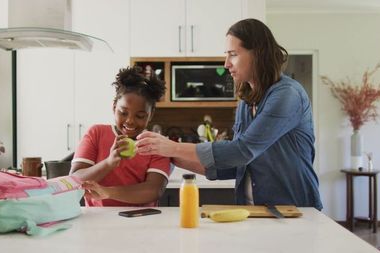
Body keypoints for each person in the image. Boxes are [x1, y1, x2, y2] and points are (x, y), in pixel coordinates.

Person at [136, 18, 323, 210]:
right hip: (254, 211)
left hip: (295, 211)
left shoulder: (287, 95)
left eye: (233, 54)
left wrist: (173, 148)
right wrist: (165, 154)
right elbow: (239, 165)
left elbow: (241, 151)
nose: (226, 64)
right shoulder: (246, 99)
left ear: (258, 54)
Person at [70, 66, 171, 207]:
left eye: (140, 116)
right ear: (114, 107)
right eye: (123, 113)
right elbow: (74, 180)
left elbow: (154, 190)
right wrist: (108, 163)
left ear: (151, 114)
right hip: (97, 220)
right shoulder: (96, 133)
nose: (130, 120)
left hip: (141, 220)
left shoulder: (157, 144)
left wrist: (108, 192)